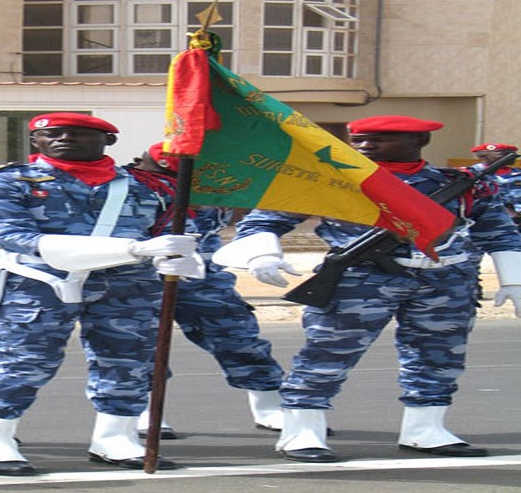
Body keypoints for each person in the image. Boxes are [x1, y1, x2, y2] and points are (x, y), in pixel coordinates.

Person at [213, 115, 521, 463]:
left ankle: (425, 428)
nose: (365, 146)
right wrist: (263, 253)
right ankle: (302, 430)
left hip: (444, 281)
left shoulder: (461, 184)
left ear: (420, 141)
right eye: (358, 140)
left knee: (438, 357)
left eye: (379, 139)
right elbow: (264, 220)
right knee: (327, 355)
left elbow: (498, 232)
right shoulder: (332, 180)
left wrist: (513, 279)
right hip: (360, 280)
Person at [0, 113, 200, 475]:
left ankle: (115, 437)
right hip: (40, 284)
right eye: (53, 134)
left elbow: (178, 230)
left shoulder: (150, 186)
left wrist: (180, 255)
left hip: (129, 285)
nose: (64, 139)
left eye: (78, 133)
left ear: (109, 141)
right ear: (35, 142)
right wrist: (135, 249)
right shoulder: (5, 182)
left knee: (129, 362)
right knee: (25, 361)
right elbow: (14, 237)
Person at [125, 143, 285, 439]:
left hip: (204, 277)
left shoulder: (219, 186)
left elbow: (254, 217)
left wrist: (260, 250)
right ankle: (144, 410)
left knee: (238, 337)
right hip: (139, 277)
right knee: (140, 345)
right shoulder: (126, 186)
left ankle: (268, 404)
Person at [470, 143, 521, 227]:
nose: (514, 159)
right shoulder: (472, 174)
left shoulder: (518, 174)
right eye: (507, 156)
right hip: (488, 223)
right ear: (484, 156)